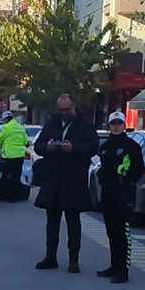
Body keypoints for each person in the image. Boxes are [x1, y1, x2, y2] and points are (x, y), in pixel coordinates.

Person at [34, 94, 99, 273]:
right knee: (52, 221)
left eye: (66, 110)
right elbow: (37, 145)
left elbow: (93, 147)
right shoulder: (52, 123)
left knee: (73, 221)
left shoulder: (84, 125)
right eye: (61, 110)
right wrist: (47, 147)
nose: (63, 113)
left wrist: (74, 149)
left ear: (73, 108)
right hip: (53, 179)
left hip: (73, 180)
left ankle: (73, 260)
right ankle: (50, 256)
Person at [96, 112, 145, 284]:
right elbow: (101, 166)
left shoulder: (131, 146)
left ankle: (123, 271)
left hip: (124, 195)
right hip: (108, 194)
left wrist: (127, 180)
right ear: (108, 126)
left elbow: (139, 169)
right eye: (113, 123)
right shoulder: (105, 146)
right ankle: (113, 266)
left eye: (119, 123)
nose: (116, 126)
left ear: (124, 125)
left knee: (122, 233)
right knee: (111, 232)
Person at [0, 111, 29, 202]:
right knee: (15, 177)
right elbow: (25, 142)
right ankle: (13, 197)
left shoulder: (6, 127)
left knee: (2, 176)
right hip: (19, 156)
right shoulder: (21, 128)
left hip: (8, 156)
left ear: (5, 119)